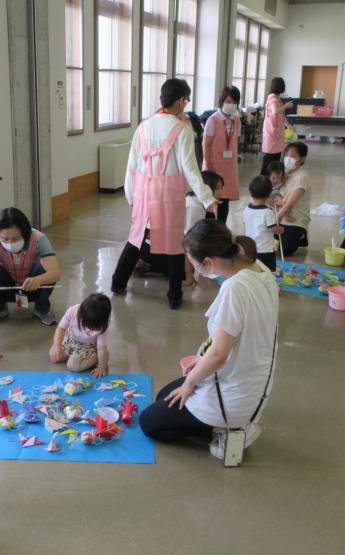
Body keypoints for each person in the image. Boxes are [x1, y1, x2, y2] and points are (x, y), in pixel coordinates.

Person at [139, 219, 279, 461]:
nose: (194, 270)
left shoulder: (234, 289)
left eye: (194, 265)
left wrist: (190, 383)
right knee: (164, 395)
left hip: (232, 396)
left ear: (209, 262)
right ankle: (223, 424)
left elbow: (219, 355)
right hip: (252, 379)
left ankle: (226, 431)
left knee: (149, 422)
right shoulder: (258, 268)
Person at [111, 78, 218, 310]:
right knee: (174, 244)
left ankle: (117, 283)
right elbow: (190, 169)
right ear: (180, 101)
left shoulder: (143, 126)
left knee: (136, 237)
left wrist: (130, 195)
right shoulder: (183, 129)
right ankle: (173, 295)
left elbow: (132, 165)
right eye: (186, 100)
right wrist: (207, 198)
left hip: (142, 191)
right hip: (168, 195)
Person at [0, 207, 60, 327]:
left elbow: (55, 273)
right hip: (7, 286)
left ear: (25, 234)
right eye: (5, 239)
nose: (10, 243)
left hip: (32, 287)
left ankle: (42, 308)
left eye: (15, 238)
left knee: (43, 268)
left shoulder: (39, 239)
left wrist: (39, 280)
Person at [49, 293, 112, 378]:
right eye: (85, 323)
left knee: (72, 366)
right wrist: (57, 345)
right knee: (55, 356)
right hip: (71, 339)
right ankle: (73, 354)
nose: (87, 328)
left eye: (92, 327)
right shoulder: (72, 311)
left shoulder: (101, 327)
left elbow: (101, 348)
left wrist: (101, 367)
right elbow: (61, 328)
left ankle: (96, 357)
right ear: (81, 312)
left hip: (87, 346)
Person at [203, 86, 241, 224]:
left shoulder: (236, 120)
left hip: (229, 168)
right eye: (228, 100)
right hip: (214, 167)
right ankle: (209, 231)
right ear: (221, 101)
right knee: (212, 202)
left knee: (225, 202)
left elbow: (234, 142)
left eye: (234, 102)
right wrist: (209, 165)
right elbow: (206, 145)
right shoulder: (212, 120)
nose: (231, 104)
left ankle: (221, 230)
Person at [184, 170, 225, 285]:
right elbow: (188, 242)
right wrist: (189, 275)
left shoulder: (195, 201)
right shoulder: (195, 207)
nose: (221, 193)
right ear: (206, 188)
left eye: (221, 188)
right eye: (217, 188)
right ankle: (187, 276)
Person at [275, 142, 311, 256]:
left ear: (302, 159)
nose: (288, 158)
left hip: (294, 220)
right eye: (287, 155)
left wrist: (273, 222)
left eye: (293, 156)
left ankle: (301, 235)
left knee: (284, 251)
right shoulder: (284, 173)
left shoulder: (301, 177)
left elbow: (289, 205)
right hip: (280, 215)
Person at [244, 176, 283, 272]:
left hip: (250, 248)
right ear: (269, 193)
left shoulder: (246, 210)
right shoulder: (267, 211)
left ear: (250, 192)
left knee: (253, 269)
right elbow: (272, 229)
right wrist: (280, 229)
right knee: (268, 271)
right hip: (265, 249)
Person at [261, 77, 294, 175]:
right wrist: (286, 106)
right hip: (272, 132)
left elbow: (281, 115)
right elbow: (275, 111)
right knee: (270, 157)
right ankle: (263, 178)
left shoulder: (277, 98)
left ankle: (273, 178)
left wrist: (287, 124)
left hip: (277, 132)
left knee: (277, 156)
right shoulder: (272, 98)